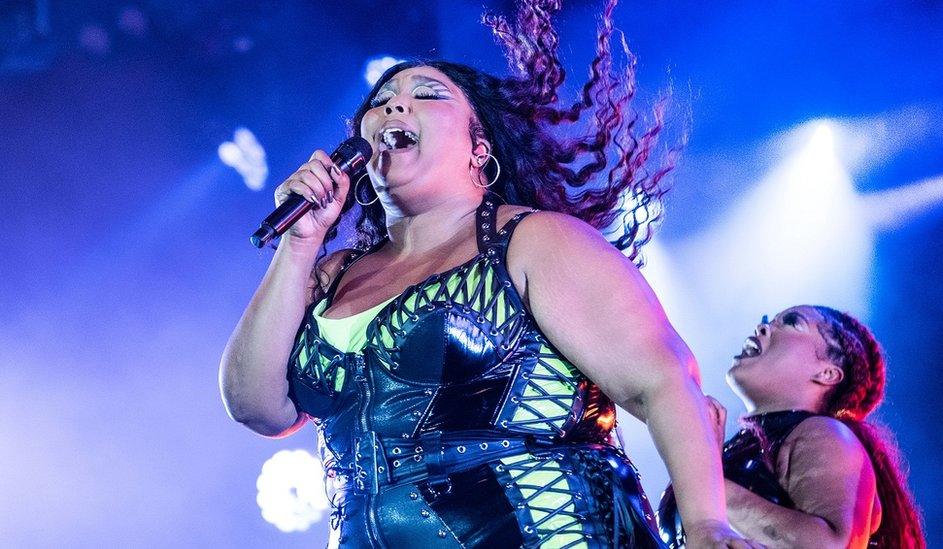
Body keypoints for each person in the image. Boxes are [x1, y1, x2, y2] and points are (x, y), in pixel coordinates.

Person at [220, 1, 753, 546]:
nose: (393, 109)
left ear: (480, 150)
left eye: (425, 96)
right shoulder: (331, 274)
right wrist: (298, 245)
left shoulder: (531, 241)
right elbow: (256, 406)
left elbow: (661, 382)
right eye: (380, 104)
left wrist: (707, 524)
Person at [658, 306, 925, 548]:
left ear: (827, 373)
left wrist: (706, 476)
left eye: (791, 323)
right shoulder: (746, 445)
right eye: (767, 321)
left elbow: (834, 546)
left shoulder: (824, 435)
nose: (762, 328)